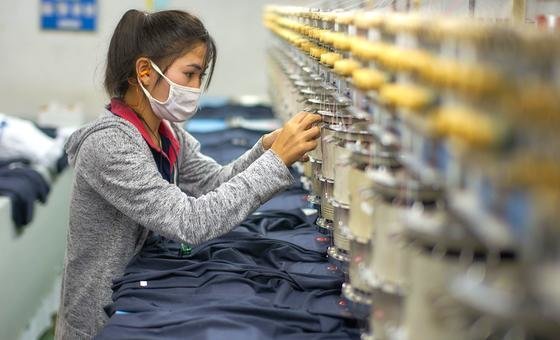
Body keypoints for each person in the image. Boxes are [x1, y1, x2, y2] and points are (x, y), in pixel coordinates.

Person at [55, 9, 321, 339]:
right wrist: (276, 162)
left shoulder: (166, 133)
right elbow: (190, 222)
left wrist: (266, 151)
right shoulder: (109, 145)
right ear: (145, 72)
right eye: (190, 74)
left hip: (142, 294)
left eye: (201, 76)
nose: (196, 88)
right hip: (102, 318)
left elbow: (215, 183)